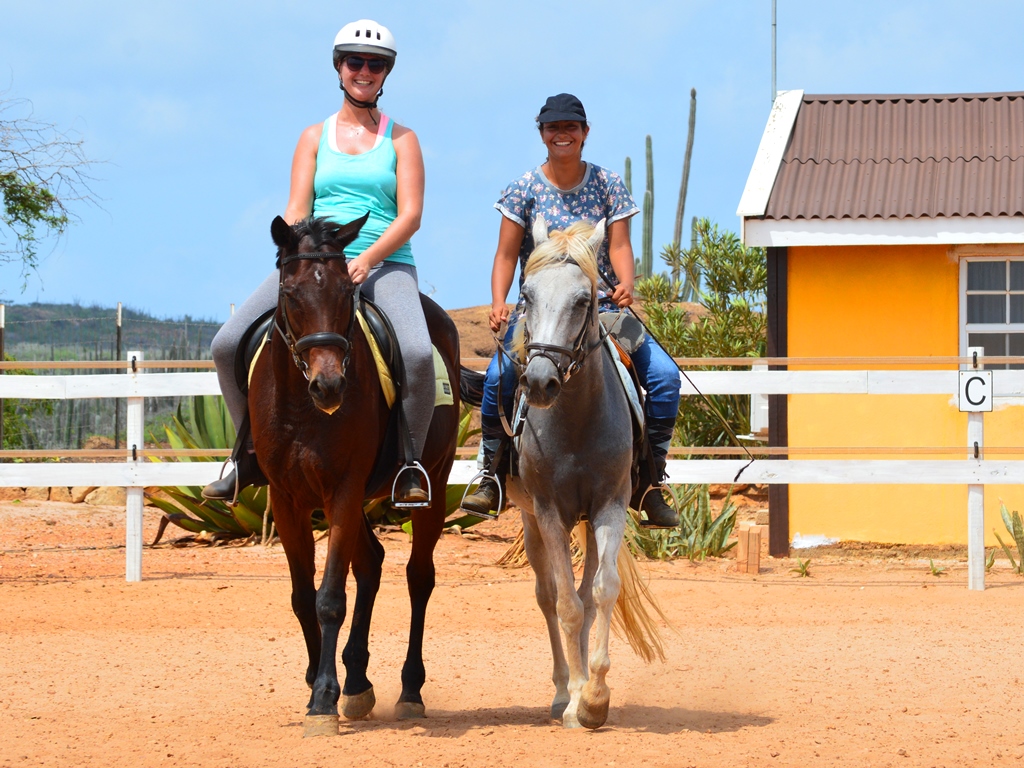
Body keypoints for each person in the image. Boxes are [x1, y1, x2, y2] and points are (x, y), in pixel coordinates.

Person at [203, 19, 434, 506]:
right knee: (226, 343)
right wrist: (294, 250)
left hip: (384, 261)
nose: (364, 71)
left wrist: (367, 258)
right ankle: (245, 454)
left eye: (375, 64)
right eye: (356, 62)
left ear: (386, 72)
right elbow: (296, 206)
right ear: (339, 67)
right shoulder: (313, 136)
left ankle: (409, 465)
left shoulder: (403, 139)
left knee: (415, 353)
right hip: (314, 263)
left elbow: (410, 214)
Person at [460, 93, 681, 528]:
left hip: (599, 307)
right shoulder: (523, 188)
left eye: (570, 127)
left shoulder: (608, 184)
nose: (562, 134)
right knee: (499, 376)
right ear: (541, 134)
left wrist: (626, 283)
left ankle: (651, 479)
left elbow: (618, 244)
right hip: (539, 310)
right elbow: (506, 254)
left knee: (664, 376)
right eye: (552, 127)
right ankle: (490, 472)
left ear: (585, 133)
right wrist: (500, 299)